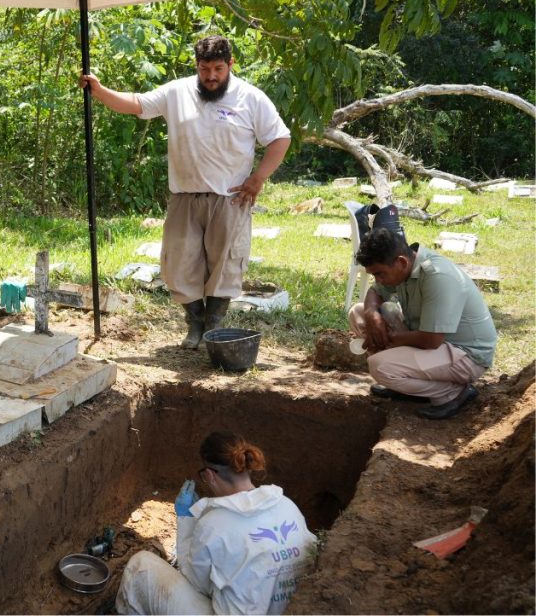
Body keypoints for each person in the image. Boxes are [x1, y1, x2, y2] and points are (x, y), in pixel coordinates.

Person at [81, 35, 291, 350]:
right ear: (197, 66)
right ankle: (194, 322)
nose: (211, 77)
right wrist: (99, 90)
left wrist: (258, 178)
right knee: (178, 265)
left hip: (230, 198)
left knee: (225, 265)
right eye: (205, 69)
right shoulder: (177, 92)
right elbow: (137, 103)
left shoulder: (251, 98)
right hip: (184, 196)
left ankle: (212, 326)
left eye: (218, 69)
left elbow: (279, 138)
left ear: (231, 64)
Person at [116, 432, 316, 615]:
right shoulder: (286, 505)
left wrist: (186, 520)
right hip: (290, 610)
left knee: (140, 565)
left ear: (209, 475)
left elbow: (196, 584)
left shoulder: (214, 523)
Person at [349, 227, 496, 420]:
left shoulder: (438, 276)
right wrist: (372, 314)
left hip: (465, 355)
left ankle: (452, 393)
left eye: (380, 274)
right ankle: (410, 386)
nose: (378, 280)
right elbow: (375, 292)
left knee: (380, 366)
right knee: (358, 313)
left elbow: (431, 340)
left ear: (401, 262)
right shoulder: (404, 267)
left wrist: (387, 339)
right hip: (431, 340)